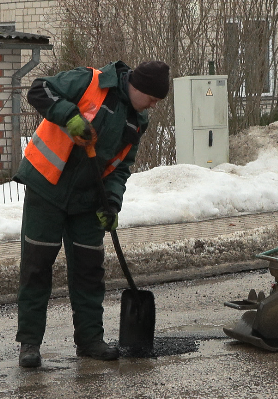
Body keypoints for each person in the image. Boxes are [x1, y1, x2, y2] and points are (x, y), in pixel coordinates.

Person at [13, 60, 170, 368]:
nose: (153, 104)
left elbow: (121, 167)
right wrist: (69, 116)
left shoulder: (137, 121)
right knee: (37, 266)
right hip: (46, 186)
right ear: (137, 87)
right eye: (152, 97)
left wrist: (111, 202)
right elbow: (38, 90)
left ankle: (89, 341)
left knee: (89, 270)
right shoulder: (89, 82)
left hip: (89, 199)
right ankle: (29, 344)